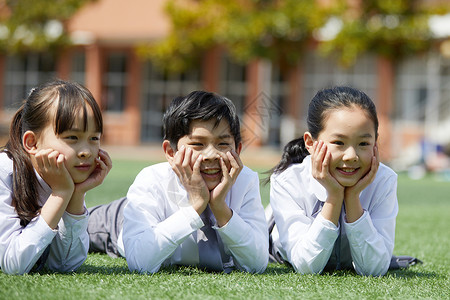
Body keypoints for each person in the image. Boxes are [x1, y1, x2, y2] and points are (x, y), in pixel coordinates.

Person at [88, 91, 268, 274]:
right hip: (119, 220)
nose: (211, 154)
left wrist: (220, 207)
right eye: (198, 144)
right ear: (171, 152)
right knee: (75, 229)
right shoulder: (152, 180)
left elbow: (257, 264)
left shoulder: (245, 180)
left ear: (237, 149)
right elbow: (140, 263)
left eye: (222, 144)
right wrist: (196, 206)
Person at [267, 86, 398, 276]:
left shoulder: (384, 180)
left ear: (375, 143)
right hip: (275, 239)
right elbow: (306, 266)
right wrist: (334, 197)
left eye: (363, 144)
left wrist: (352, 197)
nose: (351, 156)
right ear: (310, 143)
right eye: (339, 143)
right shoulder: (287, 181)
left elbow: (374, 269)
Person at [0, 80, 112, 275]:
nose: (86, 151)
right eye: (72, 138)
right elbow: (13, 264)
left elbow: (65, 264)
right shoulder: (4, 172)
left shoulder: (63, 174)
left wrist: (75, 195)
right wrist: (60, 193)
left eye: (94, 138)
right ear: (32, 142)